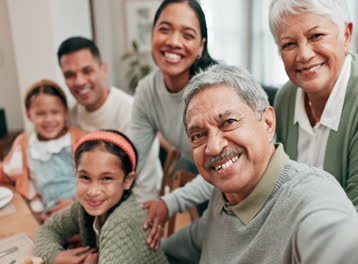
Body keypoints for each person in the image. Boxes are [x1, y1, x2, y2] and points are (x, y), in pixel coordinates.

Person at [162, 64, 358, 264]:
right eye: (198, 135)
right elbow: (188, 244)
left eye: (228, 122)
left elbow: (337, 242)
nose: (213, 147)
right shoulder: (223, 198)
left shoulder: (310, 196)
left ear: (268, 123)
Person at [270, 0, 358, 212]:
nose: (304, 55)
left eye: (316, 36)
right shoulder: (286, 97)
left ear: (346, 35)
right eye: (289, 44)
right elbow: (282, 192)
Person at [127, 0, 217, 243]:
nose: (174, 42)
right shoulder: (148, 90)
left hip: (245, 191)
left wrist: (169, 203)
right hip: (203, 176)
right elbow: (131, 160)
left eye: (187, 35)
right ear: (152, 33)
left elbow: (223, 171)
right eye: (165, 29)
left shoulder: (215, 90)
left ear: (201, 46)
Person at [34, 130, 169, 264]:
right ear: (76, 173)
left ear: (128, 180)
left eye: (106, 178)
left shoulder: (123, 222)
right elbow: (48, 229)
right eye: (85, 177)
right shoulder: (83, 206)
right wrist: (55, 256)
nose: (93, 191)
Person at [57, 36, 162, 202]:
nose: (79, 81)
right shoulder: (70, 114)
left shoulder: (133, 113)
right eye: (70, 75)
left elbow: (142, 185)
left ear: (103, 70)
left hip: (136, 202)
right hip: (91, 201)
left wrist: (77, 206)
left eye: (87, 71)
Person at [0, 80, 86, 222]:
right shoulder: (24, 143)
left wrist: (78, 203)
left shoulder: (80, 139)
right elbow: (7, 172)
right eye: (40, 113)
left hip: (81, 210)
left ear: (65, 112)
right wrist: (33, 212)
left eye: (55, 112)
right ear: (29, 115)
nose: (48, 119)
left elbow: (97, 179)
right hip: (45, 216)